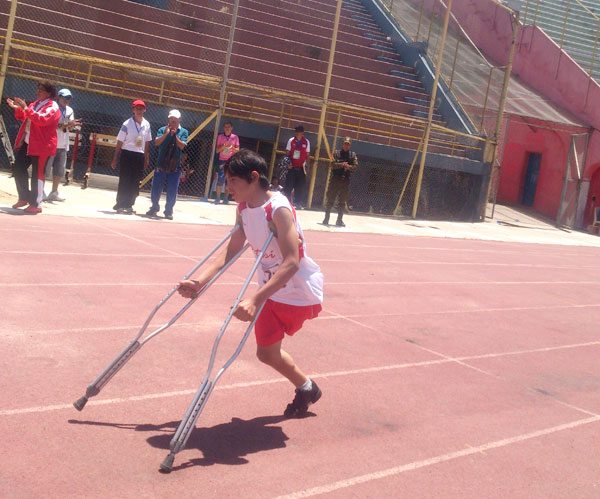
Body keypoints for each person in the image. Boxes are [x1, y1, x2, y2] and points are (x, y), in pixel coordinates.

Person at [178, 149, 324, 418]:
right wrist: (200, 282)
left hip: (296, 291)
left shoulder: (277, 209)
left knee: (267, 350)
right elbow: (231, 249)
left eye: (233, 181)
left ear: (254, 177)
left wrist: (255, 299)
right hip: (270, 290)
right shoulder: (243, 208)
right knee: (266, 354)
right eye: (227, 181)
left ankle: (305, 388)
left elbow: (292, 262)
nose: (228, 187)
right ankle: (307, 387)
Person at [7, 81, 60, 214]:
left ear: (49, 93)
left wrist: (25, 108)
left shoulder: (53, 106)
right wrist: (18, 108)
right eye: (38, 89)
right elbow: (26, 117)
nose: (38, 91)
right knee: (18, 168)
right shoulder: (35, 104)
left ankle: (36, 204)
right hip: (28, 143)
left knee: (38, 174)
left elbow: (41, 119)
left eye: (41, 90)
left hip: (42, 146)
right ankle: (24, 197)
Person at [146, 109, 189, 220]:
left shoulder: (184, 132)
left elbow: (182, 146)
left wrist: (175, 135)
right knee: (156, 187)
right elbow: (156, 142)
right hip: (161, 163)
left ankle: (169, 211)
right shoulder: (162, 129)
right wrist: (166, 134)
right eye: (171, 119)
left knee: (172, 189)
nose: (173, 121)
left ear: (179, 120)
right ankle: (154, 207)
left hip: (175, 165)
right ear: (168, 119)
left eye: (175, 119)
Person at [111, 99, 152, 214]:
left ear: (145, 110)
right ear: (133, 110)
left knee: (135, 181)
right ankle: (120, 204)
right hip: (127, 153)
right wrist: (115, 158)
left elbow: (147, 142)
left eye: (141, 109)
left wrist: (146, 158)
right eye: (137, 108)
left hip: (139, 155)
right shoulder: (127, 124)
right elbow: (120, 141)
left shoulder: (147, 124)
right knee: (125, 179)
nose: (139, 111)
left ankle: (129, 204)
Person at [45, 88, 81, 202]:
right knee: (45, 169)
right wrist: (67, 124)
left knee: (59, 171)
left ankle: (54, 193)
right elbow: (52, 125)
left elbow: (69, 126)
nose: (67, 100)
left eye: (69, 98)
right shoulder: (53, 108)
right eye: (65, 97)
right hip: (51, 143)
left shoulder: (70, 110)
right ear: (59, 97)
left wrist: (73, 125)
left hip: (63, 144)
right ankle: (40, 192)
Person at [322, 137, 358, 227]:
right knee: (330, 199)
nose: (346, 146)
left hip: (345, 180)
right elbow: (332, 164)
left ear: (350, 145)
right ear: (342, 144)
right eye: (345, 144)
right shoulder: (336, 153)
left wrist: (348, 167)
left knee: (342, 201)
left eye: (348, 144)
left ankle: (339, 220)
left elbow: (355, 167)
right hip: (335, 179)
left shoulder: (352, 155)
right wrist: (341, 165)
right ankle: (326, 219)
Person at [284, 125, 310, 209]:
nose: (297, 133)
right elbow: (287, 153)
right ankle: (287, 203)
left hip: (301, 168)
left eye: (299, 131)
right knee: (289, 186)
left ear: (302, 133)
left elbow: (307, 155)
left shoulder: (306, 142)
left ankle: (297, 203)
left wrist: (307, 166)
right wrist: (288, 163)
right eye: (296, 131)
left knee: (300, 186)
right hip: (292, 167)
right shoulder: (291, 140)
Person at [213, 121, 239, 204]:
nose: (227, 128)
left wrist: (232, 148)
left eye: (229, 127)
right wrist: (224, 146)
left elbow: (237, 150)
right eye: (225, 127)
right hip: (222, 161)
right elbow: (217, 150)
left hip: (231, 161)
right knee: (220, 179)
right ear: (223, 128)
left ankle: (225, 199)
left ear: (232, 128)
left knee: (229, 180)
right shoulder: (220, 136)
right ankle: (217, 198)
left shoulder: (235, 137)